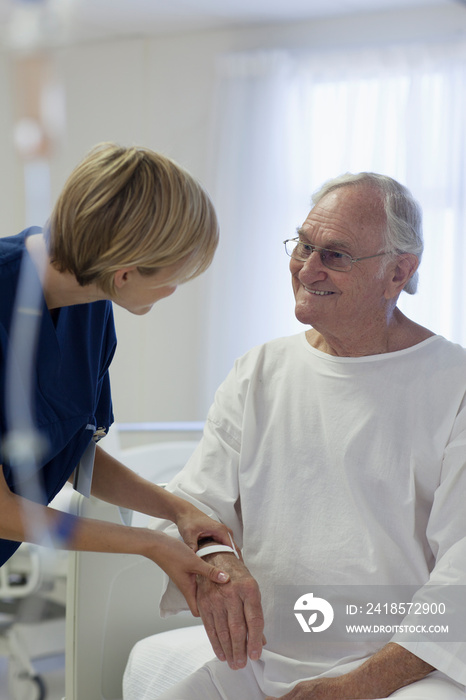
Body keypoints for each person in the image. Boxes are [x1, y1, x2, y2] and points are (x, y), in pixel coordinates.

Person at [140, 172, 466, 699]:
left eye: (335, 255)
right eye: (304, 245)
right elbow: (191, 506)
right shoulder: (260, 371)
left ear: (398, 272)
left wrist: (356, 685)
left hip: (410, 671)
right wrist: (215, 558)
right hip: (263, 659)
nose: (306, 268)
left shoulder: (456, 385)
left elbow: (464, 575)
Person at [0, 142, 234, 616]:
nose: (174, 290)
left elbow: (71, 449)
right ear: (125, 272)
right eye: (176, 276)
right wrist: (148, 544)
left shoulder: (92, 305)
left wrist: (176, 509)